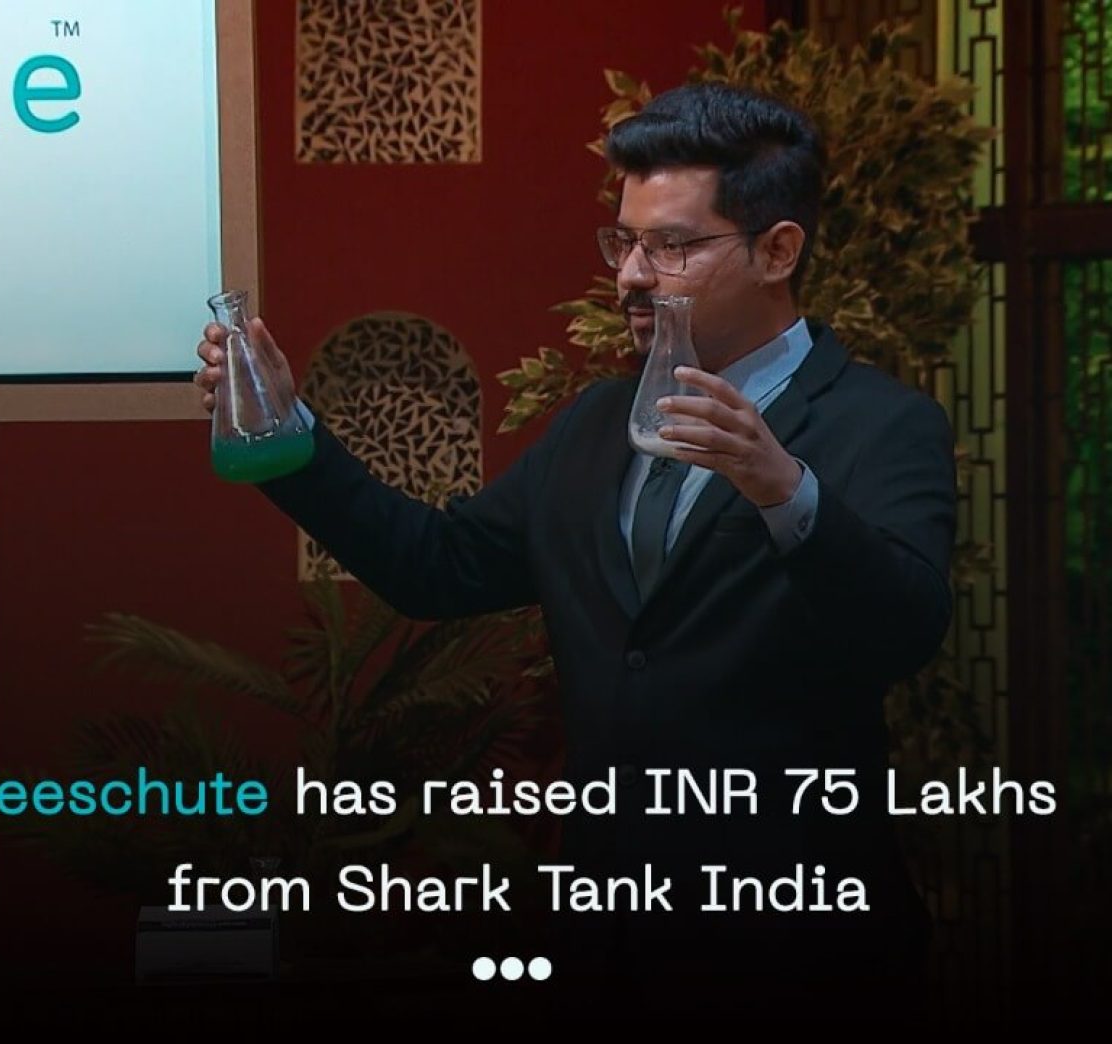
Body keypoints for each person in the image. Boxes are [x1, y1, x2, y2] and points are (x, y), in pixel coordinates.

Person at [195, 83, 956, 1017]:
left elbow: (906, 630)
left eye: (672, 246)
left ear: (778, 250)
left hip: (801, 942)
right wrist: (289, 436)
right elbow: (437, 567)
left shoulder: (882, 424)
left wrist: (782, 487)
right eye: (624, 241)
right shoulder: (597, 422)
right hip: (607, 937)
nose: (632, 274)